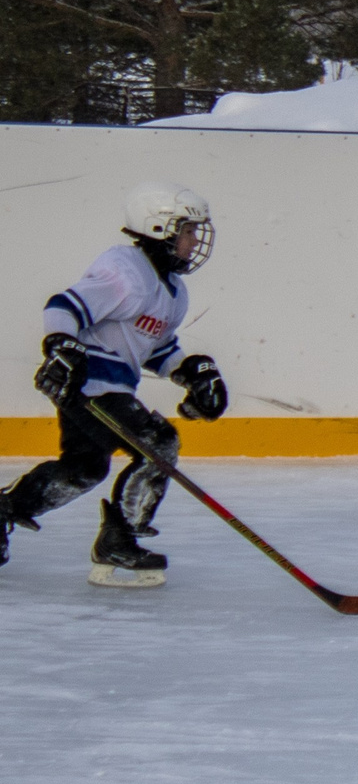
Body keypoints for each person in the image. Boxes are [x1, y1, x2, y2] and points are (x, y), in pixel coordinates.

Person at [3, 182, 228, 587]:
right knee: (158, 443)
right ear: (160, 229)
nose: (194, 241)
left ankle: (4, 509)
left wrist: (193, 371)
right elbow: (65, 306)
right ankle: (119, 541)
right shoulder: (126, 270)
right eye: (188, 231)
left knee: (84, 470)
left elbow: (157, 350)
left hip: (109, 390)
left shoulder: (173, 292)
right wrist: (60, 345)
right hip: (89, 385)